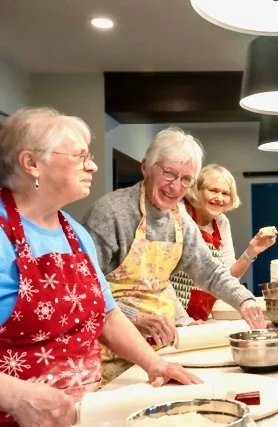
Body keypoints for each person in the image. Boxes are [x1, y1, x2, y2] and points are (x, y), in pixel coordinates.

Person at [0, 108, 200, 426]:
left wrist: (154, 364)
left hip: (87, 410)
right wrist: (13, 395)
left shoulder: (74, 234)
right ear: (31, 163)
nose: (92, 165)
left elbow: (106, 315)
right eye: (81, 156)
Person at [83, 127, 266, 382]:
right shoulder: (111, 213)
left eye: (186, 179)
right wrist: (134, 316)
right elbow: (84, 290)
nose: (176, 187)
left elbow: (211, 271)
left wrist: (245, 301)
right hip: (110, 354)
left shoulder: (179, 220)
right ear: (145, 166)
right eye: (169, 173)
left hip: (161, 351)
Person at [170, 164, 277, 310]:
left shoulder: (221, 222)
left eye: (225, 193)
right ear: (198, 190)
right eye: (213, 190)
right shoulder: (179, 212)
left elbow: (229, 276)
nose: (219, 198)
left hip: (201, 311)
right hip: (170, 308)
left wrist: (251, 251)